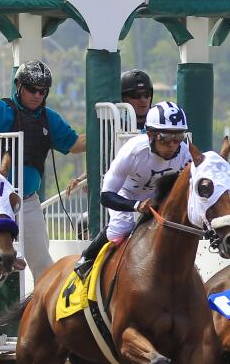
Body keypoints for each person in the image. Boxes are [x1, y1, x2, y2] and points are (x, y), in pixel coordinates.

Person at [0, 61, 85, 282]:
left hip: (27, 202)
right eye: (32, 89)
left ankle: (48, 311)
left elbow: (75, 144)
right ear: (18, 85)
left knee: (42, 262)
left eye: (42, 91)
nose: (37, 95)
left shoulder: (50, 118)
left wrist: (106, 133)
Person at [72, 100, 192, 278]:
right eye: (166, 138)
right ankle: (87, 257)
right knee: (121, 225)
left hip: (159, 196)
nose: (172, 145)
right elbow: (106, 196)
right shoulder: (133, 151)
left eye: (178, 138)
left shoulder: (184, 153)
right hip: (127, 193)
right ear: (150, 134)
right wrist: (136, 205)